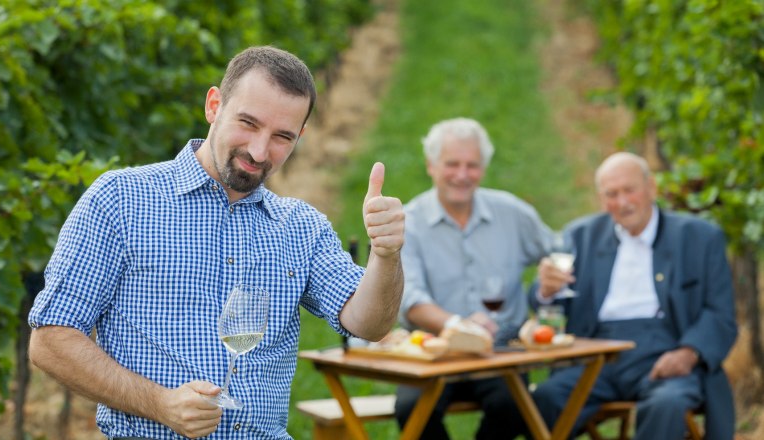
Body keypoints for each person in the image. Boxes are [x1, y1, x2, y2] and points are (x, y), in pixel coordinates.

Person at [27, 46, 405, 440]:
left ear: (301, 136)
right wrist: (161, 404)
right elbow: (51, 339)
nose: (259, 152)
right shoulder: (121, 200)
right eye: (248, 123)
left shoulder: (302, 226)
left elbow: (369, 324)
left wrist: (386, 255)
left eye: (282, 137)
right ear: (213, 105)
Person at [532, 152, 737, 440]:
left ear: (651, 187)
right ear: (601, 199)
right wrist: (545, 290)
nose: (623, 202)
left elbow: (720, 312)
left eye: (630, 190)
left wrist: (689, 353)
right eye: (611, 194)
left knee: (666, 403)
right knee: (543, 399)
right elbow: (549, 301)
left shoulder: (699, 238)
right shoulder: (580, 236)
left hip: (666, 351)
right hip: (596, 357)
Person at [394, 117, 552, 439]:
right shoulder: (408, 223)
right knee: (411, 410)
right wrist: (459, 327)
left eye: (472, 165)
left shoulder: (512, 213)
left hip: (499, 355)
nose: (462, 175)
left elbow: (558, 251)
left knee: (514, 405)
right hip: (435, 353)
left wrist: (550, 279)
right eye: (452, 164)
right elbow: (410, 300)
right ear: (431, 166)